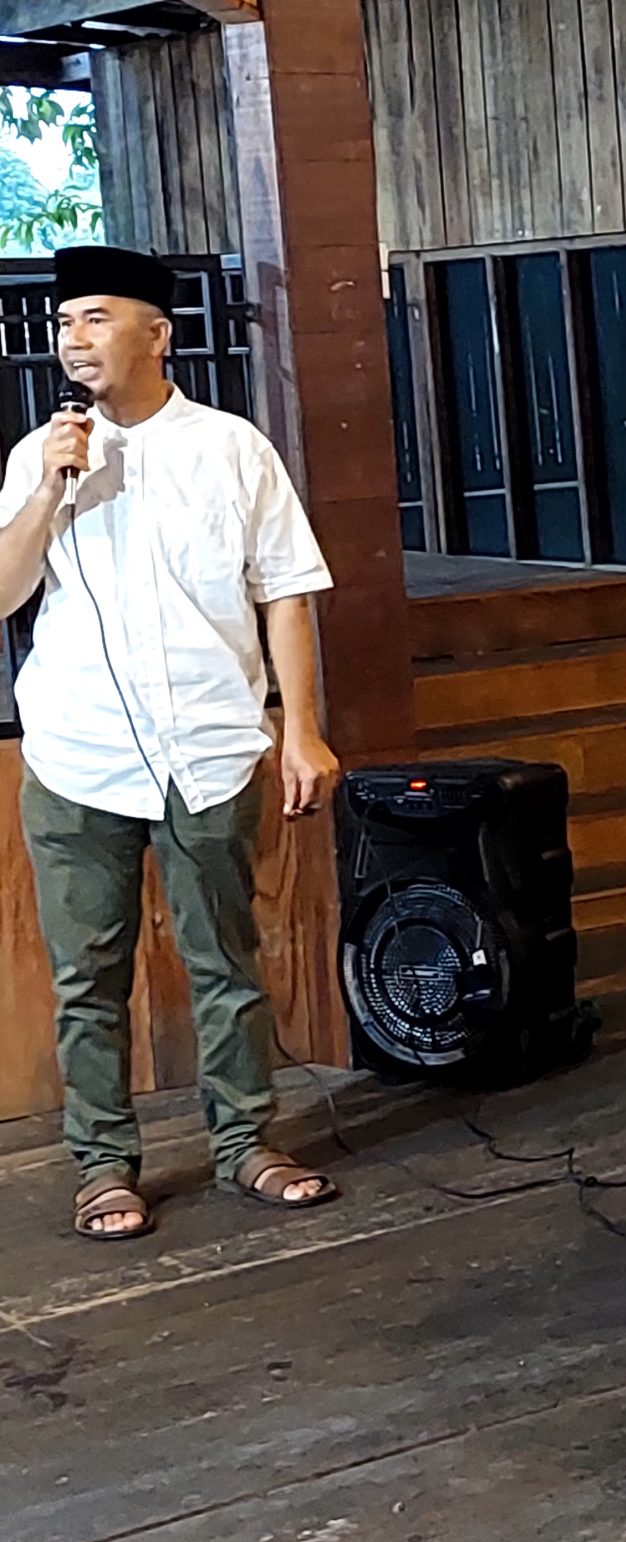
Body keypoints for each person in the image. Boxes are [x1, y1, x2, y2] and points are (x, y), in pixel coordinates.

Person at [0, 246, 340, 1242]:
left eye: (96, 318)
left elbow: (286, 593)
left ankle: (247, 1144)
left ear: (158, 334)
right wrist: (50, 491)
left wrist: (301, 730)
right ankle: (104, 1165)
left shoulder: (233, 449)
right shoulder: (39, 456)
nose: (74, 340)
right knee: (87, 979)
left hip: (209, 745)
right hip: (77, 755)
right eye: (64, 323)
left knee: (225, 960)